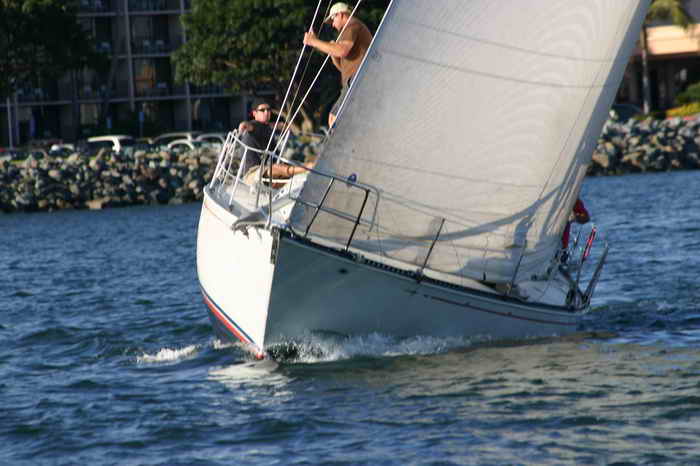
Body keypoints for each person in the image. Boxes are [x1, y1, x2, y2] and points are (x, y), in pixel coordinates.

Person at [303, 2, 372, 128]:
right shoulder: (348, 30)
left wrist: (314, 42)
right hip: (354, 79)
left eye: (333, 19)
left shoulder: (352, 25)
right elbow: (342, 67)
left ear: (340, 15)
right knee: (333, 118)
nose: (333, 24)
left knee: (336, 118)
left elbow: (341, 51)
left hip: (357, 78)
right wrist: (332, 53)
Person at [237, 98, 312, 184]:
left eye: (268, 110)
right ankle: (307, 168)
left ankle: (307, 169)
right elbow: (249, 126)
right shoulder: (255, 126)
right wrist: (243, 125)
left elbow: (271, 128)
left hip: (265, 173)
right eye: (262, 110)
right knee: (276, 168)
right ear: (254, 113)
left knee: (291, 174)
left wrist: (281, 126)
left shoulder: (267, 129)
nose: (266, 112)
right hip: (252, 174)